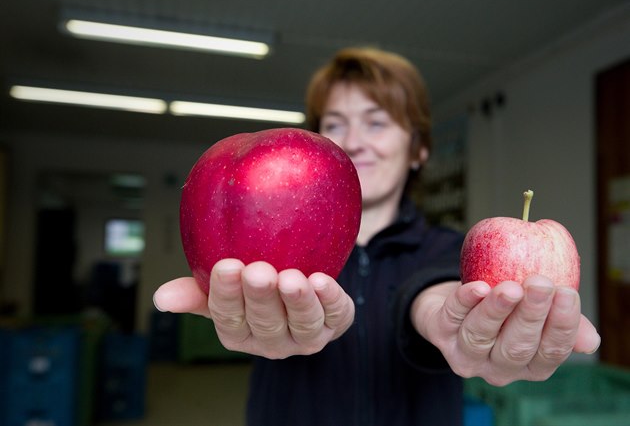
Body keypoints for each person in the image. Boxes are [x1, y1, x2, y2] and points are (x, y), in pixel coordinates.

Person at [153, 47, 600, 426]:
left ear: (419, 148)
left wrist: (439, 314)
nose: (355, 140)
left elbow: (438, 286)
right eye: (335, 123)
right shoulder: (284, 255)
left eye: (377, 122)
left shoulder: (449, 247)